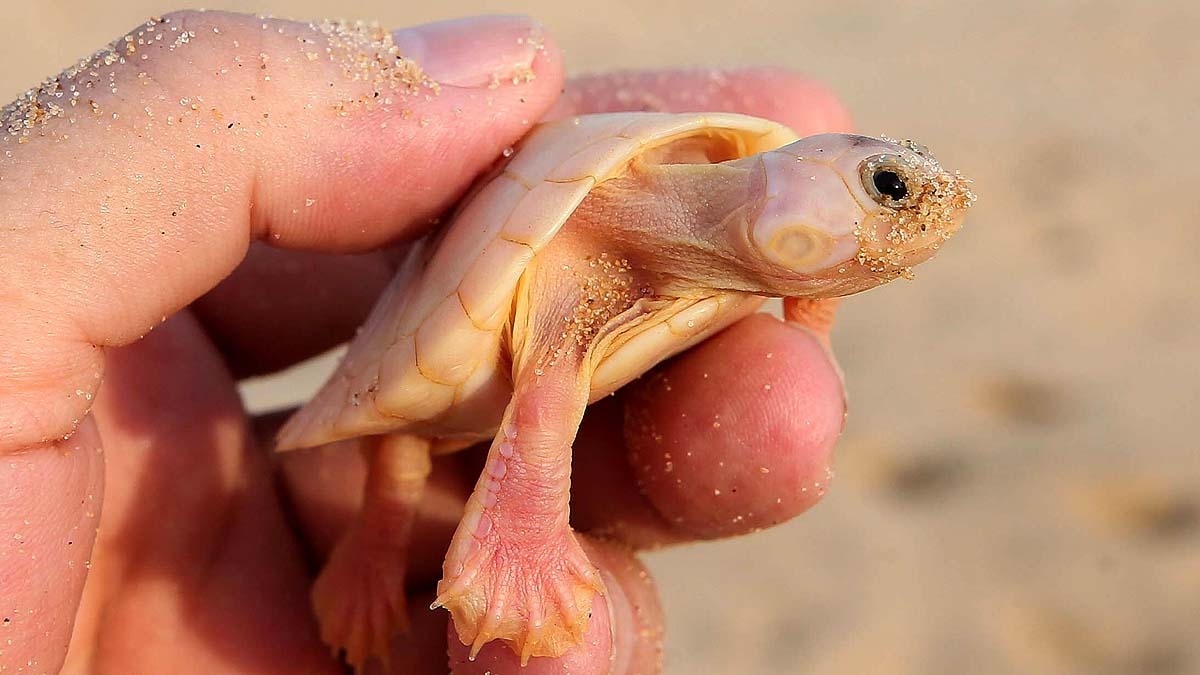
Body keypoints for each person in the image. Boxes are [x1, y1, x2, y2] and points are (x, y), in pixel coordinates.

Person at [0, 12, 851, 674]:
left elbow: (806, 272)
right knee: (421, 444)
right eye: (885, 188)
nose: (913, 221)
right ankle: (378, 556)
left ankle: (388, 559)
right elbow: (544, 390)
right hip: (477, 332)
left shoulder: (745, 237)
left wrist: (810, 304)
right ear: (782, 177)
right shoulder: (643, 194)